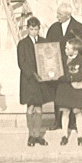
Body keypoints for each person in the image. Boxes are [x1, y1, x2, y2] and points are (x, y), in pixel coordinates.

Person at [46, 3, 82, 131]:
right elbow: (47, 46)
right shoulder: (54, 28)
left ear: (68, 15)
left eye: (60, 14)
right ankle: (57, 121)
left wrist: (76, 48)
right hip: (58, 66)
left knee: (73, 94)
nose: (57, 16)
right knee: (59, 93)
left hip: (74, 65)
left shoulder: (78, 27)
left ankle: (72, 122)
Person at [17, 17, 53, 147]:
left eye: (36, 29)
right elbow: (22, 63)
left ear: (39, 29)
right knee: (30, 107)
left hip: (41, 80)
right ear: (28, 29)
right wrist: (33, 74)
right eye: (31, 29)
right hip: (29, 80)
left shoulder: (44, 42)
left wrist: (49, 72)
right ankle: (31, 135)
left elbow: (49, 58)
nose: (34, 32)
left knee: (39, 107)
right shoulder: (22, 43)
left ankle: (38, 135)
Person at [56, 38, 82, 146]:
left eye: (68, 48)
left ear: (75, 50)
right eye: (65, 47)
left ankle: (80, 135)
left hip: (76, 89)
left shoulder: (81, 60)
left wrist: (69, 78)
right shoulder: (62, 58)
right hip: (65, 89)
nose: (65, 50)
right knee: (65, 112)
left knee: (77, 112)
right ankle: (64, 135)